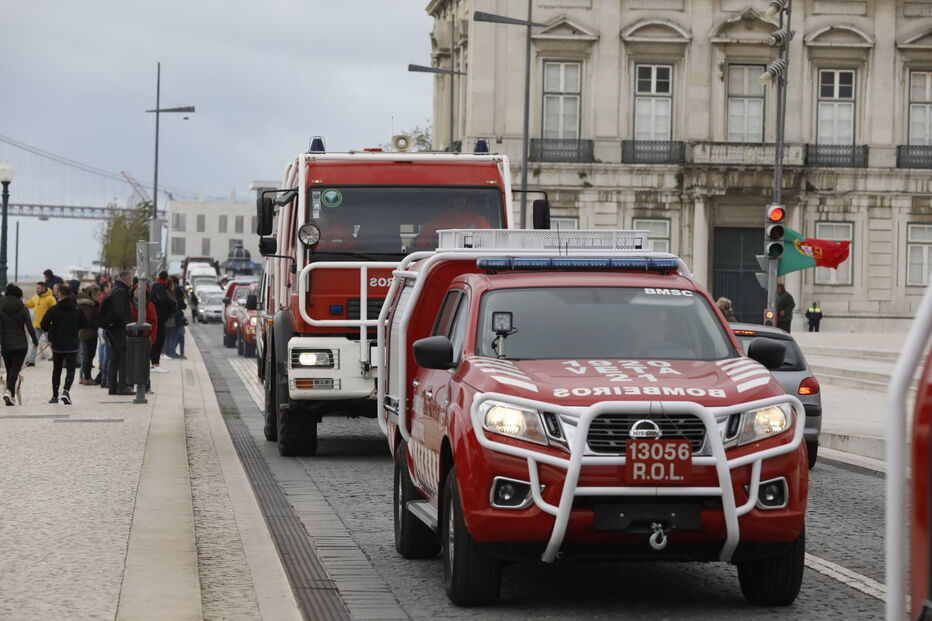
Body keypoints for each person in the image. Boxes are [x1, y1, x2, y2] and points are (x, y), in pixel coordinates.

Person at [40, 284, 86, 404]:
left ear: (60, 293)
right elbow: (84, 323)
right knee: (70, 370)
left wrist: (52, 328)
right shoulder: (77, 309)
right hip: (72, 344)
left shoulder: (54, 309)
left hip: (57, 344)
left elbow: (43, 325)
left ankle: (55, 396)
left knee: (57, 370)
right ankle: (66, 391)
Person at [0, 284, 39, 405]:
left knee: (9, 369)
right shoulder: (23, 308)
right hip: (21, 345)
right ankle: (9, 392)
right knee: (15, 370)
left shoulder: (1, 308)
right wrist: (35, 340)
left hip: (6, 345)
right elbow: (30, 327)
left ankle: (10, 397)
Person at [101, 271, 134, 395]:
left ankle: (112, 387)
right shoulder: (121, 291)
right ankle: (122, 387)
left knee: (114, 358)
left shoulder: (115, 289)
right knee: (123, 357)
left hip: (112, 329)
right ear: (127, 280)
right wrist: (124, 325)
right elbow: (119, 312)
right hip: (119, 330)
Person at [149, 271, 177, 372]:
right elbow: (165, 300)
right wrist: (173, 304)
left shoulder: (155, 286)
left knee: (157, 340)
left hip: (157, 317)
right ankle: (155, 364)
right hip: (159, 318)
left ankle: (155, 363)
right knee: (158, 341)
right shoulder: (161, 287)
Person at [24, 282, 57, 366]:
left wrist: (53, 323)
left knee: (51, 343)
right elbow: (30, 304)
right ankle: (31, 361)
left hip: (48, 326)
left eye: (38, 288)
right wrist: (22, 303)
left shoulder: (51, 298)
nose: (37, 290)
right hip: (37, 325)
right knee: (34, 343)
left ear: (43, 288)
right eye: (36, 288)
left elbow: (55, 310)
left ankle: (57, 358)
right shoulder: (35, 298)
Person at [76, 285, 100, 385]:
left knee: (86, 355)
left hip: (85, 332)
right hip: (88, 332)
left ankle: (84, 377)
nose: (97, 297)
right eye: (96, 294)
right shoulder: (88, 304)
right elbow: (87, 319)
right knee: (88, 355)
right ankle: (86, 377)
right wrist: (99, 322)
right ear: (91, 293)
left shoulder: (83, 302)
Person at [165, 277, 187, 359]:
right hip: (175, 318)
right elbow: (183, 305)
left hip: (171, 318)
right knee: (176, 336)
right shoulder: (175, 293)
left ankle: (170, 352)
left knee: (171, 336)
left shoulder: (168, 292)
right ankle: (172, 352)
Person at [94, 281, 111, 387]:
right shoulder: (104, 297)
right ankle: (102, 363)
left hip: (100, 325)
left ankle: (101, 363)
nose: (110, 288)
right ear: (105, 288)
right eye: (109, 287)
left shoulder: (100, 296)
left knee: (102, 345)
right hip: (102, 326)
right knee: (103, 346)